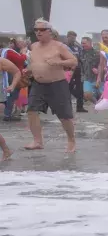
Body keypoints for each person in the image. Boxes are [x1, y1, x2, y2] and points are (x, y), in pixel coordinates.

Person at [23, 19, 80, 153]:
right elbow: (36, 63)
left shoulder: (59, 46)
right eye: (36, 30)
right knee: (31, 111)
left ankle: (71, 140)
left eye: (42, 30)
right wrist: (29, 70)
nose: (38, 32)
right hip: (38, 84)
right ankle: (37, 141)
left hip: (57, 84)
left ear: (50, 31)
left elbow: (74, 61)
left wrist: (58, 62)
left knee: (64, 115)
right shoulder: (34, 46)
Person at [2, 35, 28, 121]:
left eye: (13, 42)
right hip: (12, 75)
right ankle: (8, 114)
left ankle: (8, 112)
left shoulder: (6, 51)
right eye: (10, 43)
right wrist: (23, 53)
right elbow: (20, 60)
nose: (12, 44)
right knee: (12, 94)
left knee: (11, 94)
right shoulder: (9, 51)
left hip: (10, 74)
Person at [0, 54, 19, 159]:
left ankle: (6, 150)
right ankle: (6, 150)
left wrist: (12, 85)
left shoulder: (2, 61)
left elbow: (17, 72)